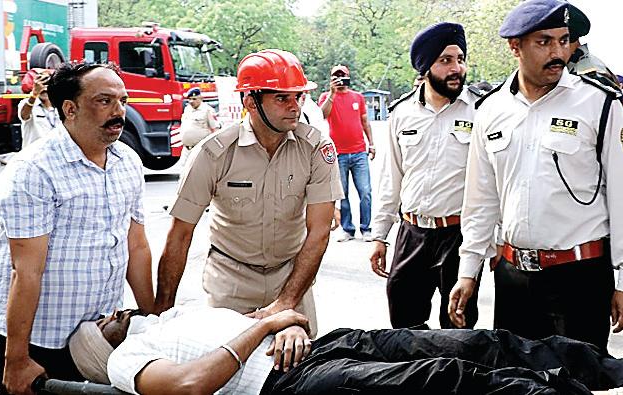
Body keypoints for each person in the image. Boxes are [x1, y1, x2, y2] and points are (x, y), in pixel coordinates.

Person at [448, 0, 623, 352]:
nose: (557, 52)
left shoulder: (599, 103)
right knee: (517, 381)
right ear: (515, 46)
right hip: (514, 278)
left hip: (581, 275)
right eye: (544, 42)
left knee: (581, 383)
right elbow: (481, 199)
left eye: (564, 40)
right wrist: (469, 270)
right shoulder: (491, 109)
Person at [66, 306, 623, 395]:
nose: (114, 311)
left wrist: (280, 322)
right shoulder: (129, 361)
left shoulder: (168, 313)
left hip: (313, 345)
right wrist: (265, 327)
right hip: (282, 386)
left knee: (482, 340)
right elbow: (190, 387)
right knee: (449, 377)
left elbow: (270, 319)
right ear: (101, 348)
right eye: (102, 320)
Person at [0, 62, 155, 394]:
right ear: (70, 109)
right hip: (39, 342)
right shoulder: (33, 170)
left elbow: (136, 245)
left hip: (96, 337)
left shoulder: (127, 162)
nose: (119, 111)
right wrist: (17, 360)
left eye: (123, 100)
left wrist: (152, 320)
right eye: (104, 101)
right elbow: (26, 271)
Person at [153, 50, 342, 337]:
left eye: (298, 96)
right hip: (231, 280)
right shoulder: (213, 154)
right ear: (250, 101)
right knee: (223, 367)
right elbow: (180, 234)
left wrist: (287, 302)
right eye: (281, 98)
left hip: (291, 276)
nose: (294, 107)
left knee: (297, 369)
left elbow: (319, 232)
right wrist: (160, 315)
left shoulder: (315, 148)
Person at [369, 22, 482, 330]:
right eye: (445, 60)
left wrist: (491, 240)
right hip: (412, 232)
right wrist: (380, 235)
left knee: (457, 328)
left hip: (458, 236)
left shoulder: (481, 111)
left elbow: (493, 184)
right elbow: (391, 177)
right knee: (404, 323)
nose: (456, 68)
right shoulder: (402, 113)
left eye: (460, 59)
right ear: (425, 67)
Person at [318, 64, 375, 242]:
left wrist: (371, 144)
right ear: (331, 78)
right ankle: (347, 228)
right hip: (338, 153)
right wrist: (332, 94)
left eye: (343, 75)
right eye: (336, 76)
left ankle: (366, 228)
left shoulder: (357, 97)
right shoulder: (326, 97)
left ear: (348, 77)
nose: (340, 79)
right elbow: (322, 115)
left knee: (365, 191)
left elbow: (365, 122)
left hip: (358, 152)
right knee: (342, 193)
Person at [17, 70, 61, 149]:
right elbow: (24, 116)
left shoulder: (58, 106)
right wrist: (34, 95)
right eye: (42, 84)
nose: (44, 88)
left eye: (47, 84)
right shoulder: (27, 104)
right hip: (34, 157)